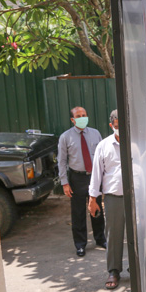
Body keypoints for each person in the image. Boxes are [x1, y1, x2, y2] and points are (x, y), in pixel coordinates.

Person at [57, 106, 106, 257]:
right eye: (79, 115)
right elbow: (62, 160)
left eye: (84, 114)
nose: (82, 117)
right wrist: (65, 182)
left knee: (96, 208)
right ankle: (80, 244)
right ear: (73, 120)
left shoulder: (95, 133)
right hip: (76, 178)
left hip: (94, 177)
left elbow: (103, 155)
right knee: (78, 213)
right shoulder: (66, 137)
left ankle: (100, 239)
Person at [88, 110, 125, 290]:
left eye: (123, 126)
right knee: (113, 235)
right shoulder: (103, 146)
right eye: (117, 127)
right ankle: (113, 270)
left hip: (136, 198)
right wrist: (93, 198)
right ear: (112, 126)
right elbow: (96, 174)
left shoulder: (136, 143)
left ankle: (138, 269)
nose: (120, 129)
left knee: (140, 235)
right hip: (113, 198)